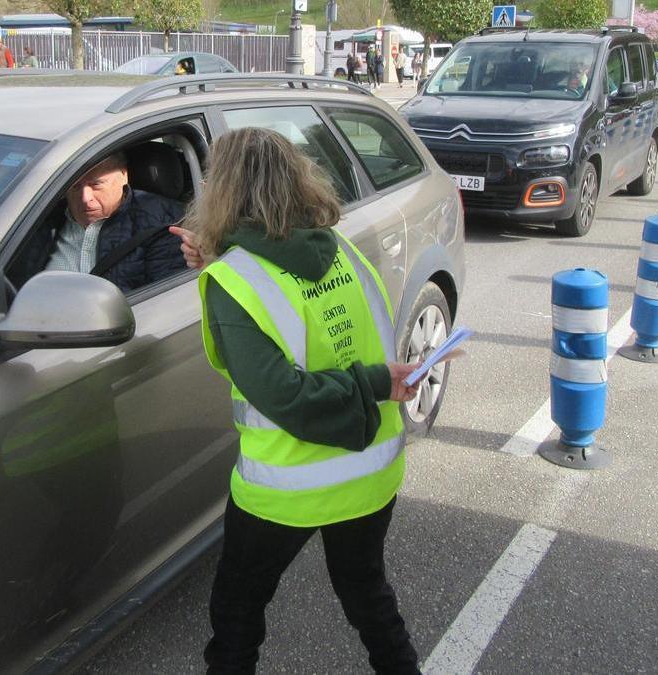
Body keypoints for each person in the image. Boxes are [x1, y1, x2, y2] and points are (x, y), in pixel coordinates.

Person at [180, 127, 455, 674]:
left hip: (285, 488)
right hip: (369, 472)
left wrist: (376, 381)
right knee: (369, 602)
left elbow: (284, 395)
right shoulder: (343, 252)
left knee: (237, 616)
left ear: (225, 192)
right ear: (295, 180)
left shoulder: (233, 282)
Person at [36, 152, 187, 293]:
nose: (85, 198)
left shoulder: (164, 225)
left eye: (96, 185)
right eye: (75, 186)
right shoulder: (41, 217)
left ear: (124, 175)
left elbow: (164, 303)